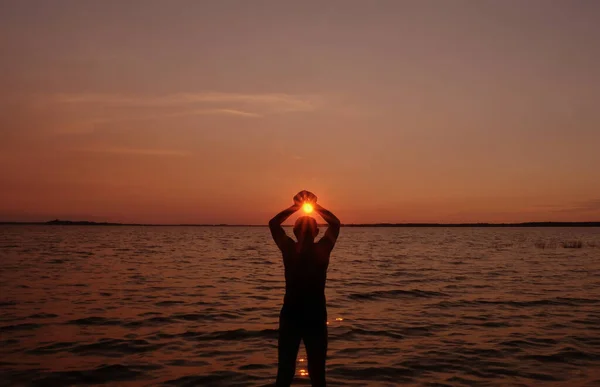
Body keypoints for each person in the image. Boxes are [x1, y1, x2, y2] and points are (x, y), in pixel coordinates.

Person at [269, 190, 341, 387]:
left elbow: (273, 224)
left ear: (294, 231)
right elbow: (335, 224)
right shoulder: (322, 250)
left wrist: (296, 206)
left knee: (285, 372)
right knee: (317, 374)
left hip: (294, 316)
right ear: (317, 232)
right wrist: (314, 206)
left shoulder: (290, 249)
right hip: (313, 316)